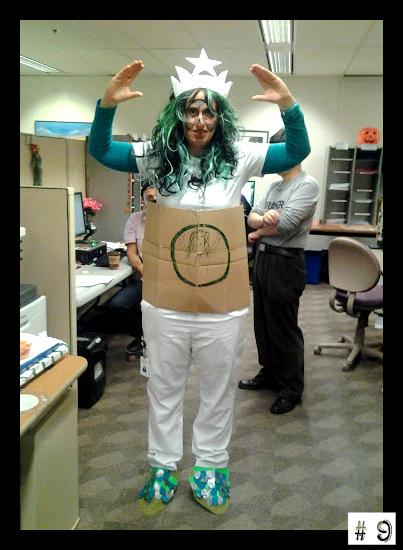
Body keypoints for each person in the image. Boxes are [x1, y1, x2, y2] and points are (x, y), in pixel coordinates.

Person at [88, 49, 311, 516]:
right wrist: (106, 104)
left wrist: (288, 104)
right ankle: (163, 466)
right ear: (178, 112)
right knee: (163, 388)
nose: (200, 121)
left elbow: (295, 152)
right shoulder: (156, 157)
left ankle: (211, 467)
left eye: (209, 112)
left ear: (220, 116)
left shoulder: (240, 156)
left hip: (222, 303)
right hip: (165, 301)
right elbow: (102, 151)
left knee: (216, 390)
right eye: (191, 110)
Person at [239, 160, 320, 414]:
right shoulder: (274, 186)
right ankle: (270, 373)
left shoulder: (307, 185)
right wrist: (262, 222)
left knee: (283, 327)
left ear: (293, 155)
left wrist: (260, 231)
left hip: (286, 262)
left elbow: (286, 223)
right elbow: (252, 217)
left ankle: (290, 388)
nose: (275, 162)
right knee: (263, 323)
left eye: (280, 155)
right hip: (263, 259)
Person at [106, 182, 156, 358]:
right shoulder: (135, 219)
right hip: (146, 277)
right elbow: (132, 253)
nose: (154, 200)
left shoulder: (173, 220)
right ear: (143, 201)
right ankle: (143, 336)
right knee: (117, 306)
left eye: (157, 197)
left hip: (170, 279)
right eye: (149, 198)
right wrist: (144, 273)